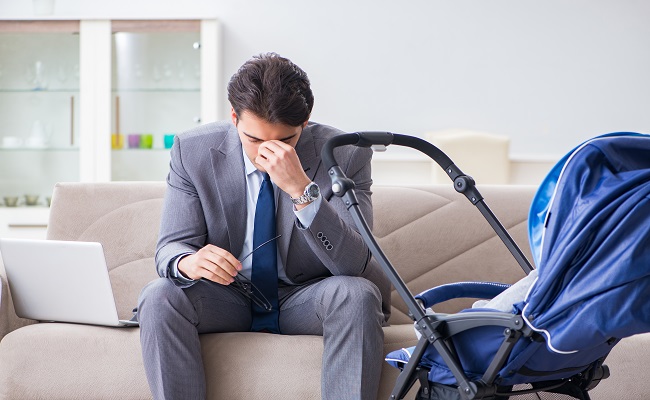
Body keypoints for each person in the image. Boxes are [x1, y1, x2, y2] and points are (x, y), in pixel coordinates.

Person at [137, 52, 391, 400]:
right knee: (158, 296)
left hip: (305, 296)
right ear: (234, 118)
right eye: (253, 139)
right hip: (227, 295)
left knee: (356, 294)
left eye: (285, 141)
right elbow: (171, 247)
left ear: (305, 123)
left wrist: (302, 190)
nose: (266, 152)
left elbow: (353, 263)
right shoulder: (192, 150)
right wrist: (189, 262)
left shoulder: (345, 154)